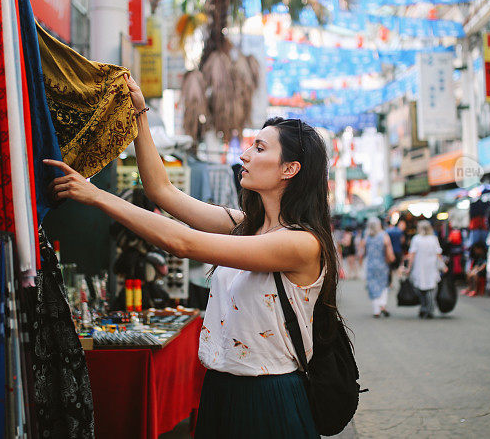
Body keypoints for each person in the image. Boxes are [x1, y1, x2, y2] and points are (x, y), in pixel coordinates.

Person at [44, 75, 336, 438]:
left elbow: (183, 244)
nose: (244, 155)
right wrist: (139, 116)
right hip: (220, 387)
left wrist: (98, 196)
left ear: (290, 170)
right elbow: (161, 191)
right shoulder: (247, 225)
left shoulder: (301, 243)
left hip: (268, 394)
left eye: (260, 149)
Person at [405, 220, 447, 319]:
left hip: (420, 267)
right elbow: (438, 254)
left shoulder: (416, 239)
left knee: (420, 288)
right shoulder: (433, 239)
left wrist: (409, 268)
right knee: (431, 288)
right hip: (431, 267)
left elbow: (412, 255)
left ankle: (424, 307)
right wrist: (443, 266)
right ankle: (429, 308)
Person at [362, 217, 395, 318]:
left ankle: (376, 310)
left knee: (372, 285)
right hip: (382, 264)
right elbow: (389, 249)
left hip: (370, 264)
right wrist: (392, 258)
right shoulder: (384, 235)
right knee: (383, 285)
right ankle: (382, 304)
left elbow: (362, 252)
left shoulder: (366, 237)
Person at [384, 219, 407, 283]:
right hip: (398, 251)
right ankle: (400, 279)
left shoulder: (387, 231)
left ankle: (390, 283)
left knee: (390, 268)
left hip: (390, 252)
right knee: (399, 266)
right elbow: (402, 240)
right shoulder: (399, 231)